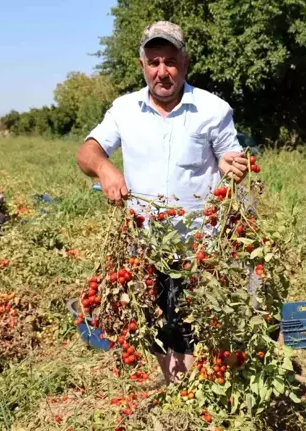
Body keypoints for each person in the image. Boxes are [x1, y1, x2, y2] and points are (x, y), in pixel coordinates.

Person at [76, 21, 249, 384]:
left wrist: (230, 165)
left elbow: (230, 158)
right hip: (144, 242)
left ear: (184, 63)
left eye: (170, 61)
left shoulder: (213, 109)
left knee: (190, 320)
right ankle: (172, 384)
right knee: (153, 316)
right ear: (143, 66)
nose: (162, 71)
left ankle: (187, 389)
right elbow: (87, 152)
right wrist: (106, 171)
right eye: (154, 61)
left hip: (198, 243)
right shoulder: (124, 109)